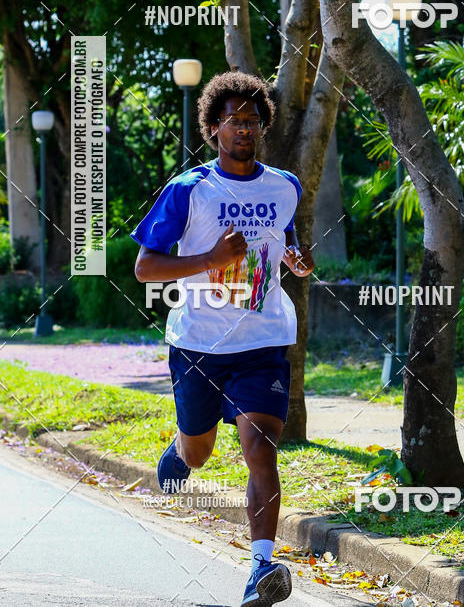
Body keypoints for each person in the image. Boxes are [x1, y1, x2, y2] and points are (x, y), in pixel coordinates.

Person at [131, 70, 315, 607]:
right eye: (233, 121)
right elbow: (144, 268)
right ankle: (181, 450)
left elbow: (283, 237)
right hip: (198, 344)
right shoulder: (189, 191)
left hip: (263, 341)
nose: (244, 129)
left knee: (260, 447)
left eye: (253, 121)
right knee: (200, 452)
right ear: (213, 127)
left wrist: (295, 260)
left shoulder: (284, 185)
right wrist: (209, 260)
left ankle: (260, 568)